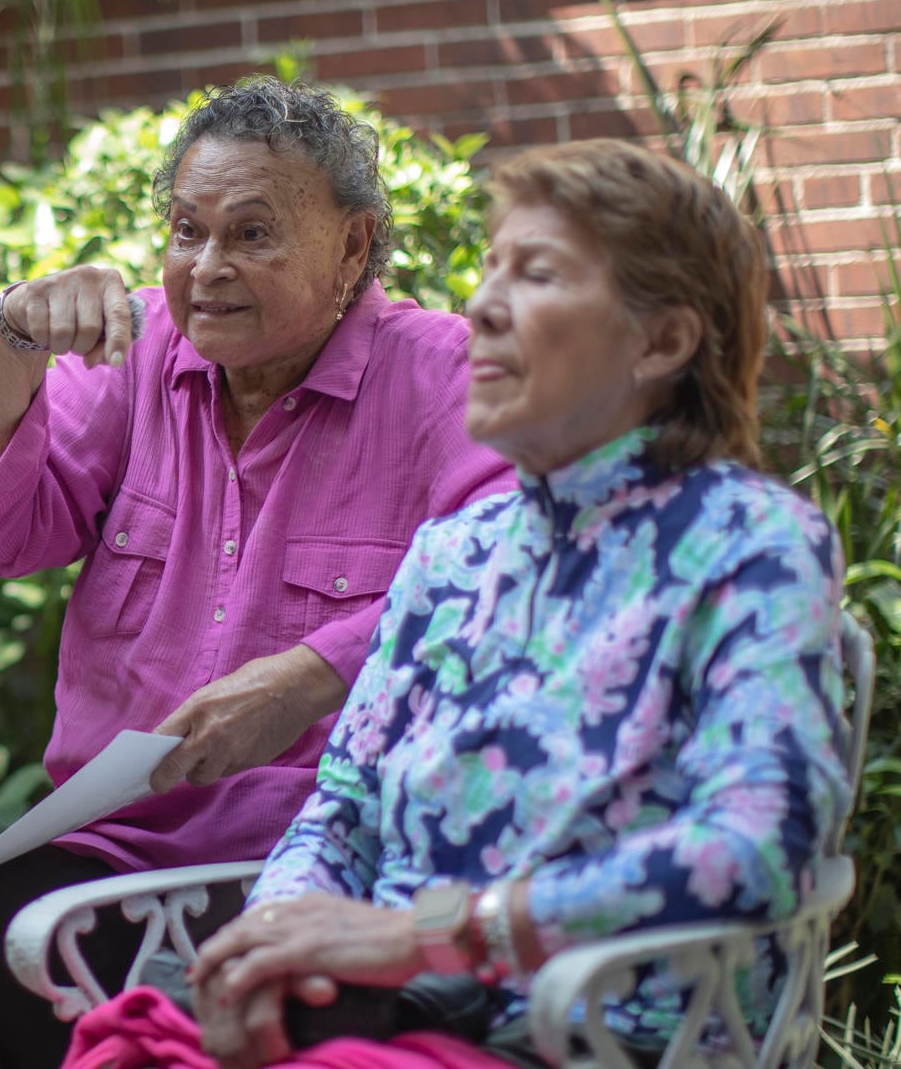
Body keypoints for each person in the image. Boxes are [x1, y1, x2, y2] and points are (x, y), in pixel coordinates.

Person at [179, 139, 851, 1068]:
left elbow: (758, 846)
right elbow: (340, 813)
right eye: (490, 269)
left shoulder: (750, 541)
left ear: (661, 341)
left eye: (534, 274)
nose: (483, 307)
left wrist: (430, 934)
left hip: (585, 1036)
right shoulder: (453, 554)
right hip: (376, 1021)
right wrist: (274, 948)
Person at [0, 76, 515, 1067]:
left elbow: (515, 575)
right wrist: (14, 346)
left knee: (305, 998)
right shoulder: (135, 351)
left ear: (354, 247)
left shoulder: (442, 374)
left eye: (250, 233)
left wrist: (317, 671)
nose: (206, 268)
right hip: (116, 844)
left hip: (331, 847)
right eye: (188, 231)